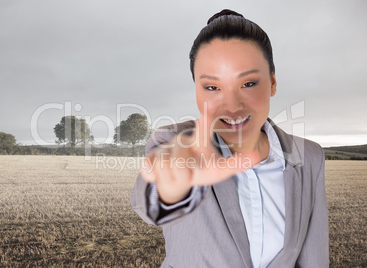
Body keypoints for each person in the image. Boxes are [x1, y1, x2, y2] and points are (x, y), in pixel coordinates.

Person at [130, 9, 329, 268]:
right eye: (213, 87)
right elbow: (150, 205)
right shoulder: (175, 140)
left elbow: (314, 258)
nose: (232, 105)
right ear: (196, 90)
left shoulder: (309, 156)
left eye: (248, 84)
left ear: (272, 83)